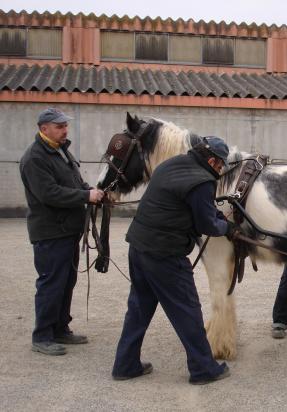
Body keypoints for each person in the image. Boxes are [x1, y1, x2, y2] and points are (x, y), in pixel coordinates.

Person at [111, 136, 237, 385]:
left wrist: (216, 217)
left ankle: (125, 365)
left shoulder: (172, 164)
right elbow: (206, 224)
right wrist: (228, 228)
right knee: (186, 310)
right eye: (220, 165)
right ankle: (203, 369)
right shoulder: (203, 181)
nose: (221, 170)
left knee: (139, 308)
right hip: (165, 255)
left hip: (138, 246)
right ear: (212, 160)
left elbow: (191, 205)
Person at [20, 107, 104, 356]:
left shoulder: (59, 151)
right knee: (51, 283)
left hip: (67, 230)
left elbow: (74, 182)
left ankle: (60, 328)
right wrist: (85, 196)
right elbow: (49, 193)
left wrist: (92, 192)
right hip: (50, 232)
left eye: (65, 125)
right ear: (43, 128)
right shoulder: (35, 158)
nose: (64, 129)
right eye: (59, 126)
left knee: (67, 281)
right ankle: (42, 335)